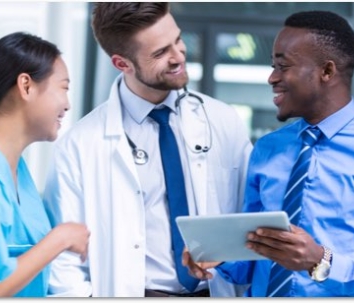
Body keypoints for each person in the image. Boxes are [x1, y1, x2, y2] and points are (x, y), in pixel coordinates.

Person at [183, 10, 354, 297]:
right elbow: (250, 261)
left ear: (327, 71)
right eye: (272, 65)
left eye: (282, 66)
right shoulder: (268, 148)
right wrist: (219, 256)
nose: (272, 78)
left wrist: (319, 260)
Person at [42, 2, 252, 297]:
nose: (178, 56)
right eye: (160, 53)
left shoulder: (223, 121)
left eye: (177, 40)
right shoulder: (79, 146)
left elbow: (249, 217)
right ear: (122, 64)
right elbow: (64, 263)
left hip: (216, 290)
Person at [0, 32, 90, 297]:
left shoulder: (16, 169)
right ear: (26, 86)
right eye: (64, 87)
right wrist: (60, 239)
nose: (67, 104)